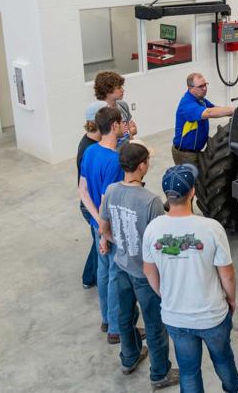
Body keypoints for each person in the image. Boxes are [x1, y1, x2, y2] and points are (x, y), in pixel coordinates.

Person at [142, 164, 238, 393]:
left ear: (167, 194)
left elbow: (148, 271)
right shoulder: (211, 228)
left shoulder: (153, 229)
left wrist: (166, 294)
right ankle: (235, 387)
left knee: (189, 370)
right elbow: (227, 274)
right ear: (192, 192)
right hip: (211, 314)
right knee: (222, 358)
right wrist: (231, 299)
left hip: (175, 316)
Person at [98, 142, 179, 387]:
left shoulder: (111, 190)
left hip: (121, 265)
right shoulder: (151, 201)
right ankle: (160, 373)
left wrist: (117, 241)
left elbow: (103, 229)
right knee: (154, 324)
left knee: (125, 317)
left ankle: (129, 358)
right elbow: (161, 243)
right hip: (145, 273)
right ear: (142, 165)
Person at [78, 106, 125, 344]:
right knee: (116, 275)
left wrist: (96, 223)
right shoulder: (115, 161)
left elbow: (82, 191)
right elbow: (108, 201)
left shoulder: (90, 152)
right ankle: (117, 329)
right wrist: (105, 233)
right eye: (122, 123)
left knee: (103, 271)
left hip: (97, 221)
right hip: (112, 227)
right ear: (115, 126)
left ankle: (107, 319)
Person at [171, 72, 238, 168]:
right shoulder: (187, 105)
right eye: (200, 86)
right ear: (190, 88)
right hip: (185, 154)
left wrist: (235, 113)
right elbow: (209, 112)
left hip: (196, 151)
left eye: (205, 84)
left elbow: (214, 108)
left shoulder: (200, 99)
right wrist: (234, 109)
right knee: (193, 182)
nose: (204, 88)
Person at [77, 100, 106, 289]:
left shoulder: (89, 142)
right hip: (92, 205)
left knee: (97, 242)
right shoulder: (89, 149)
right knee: (100, 244)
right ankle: (89, 278)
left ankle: (88, 277)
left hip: (90, 202)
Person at [94, 70, 137, 146]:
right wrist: (128, 131)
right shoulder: (99, 113)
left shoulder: (123, 105)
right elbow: (101, 140)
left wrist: (134, 148)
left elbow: (128, 132)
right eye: (119, 87)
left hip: (126, 150)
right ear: (107, 90)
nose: (123, 90)